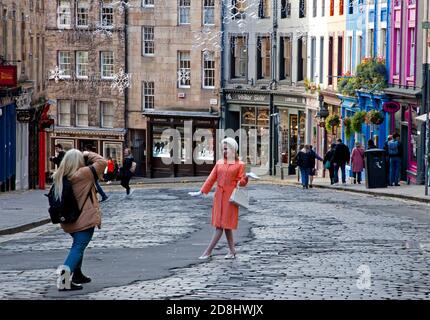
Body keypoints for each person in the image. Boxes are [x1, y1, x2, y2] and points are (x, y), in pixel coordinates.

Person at [53, 149, 107, 291]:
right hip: (83, 220)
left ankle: (77, 274)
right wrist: (87, 153)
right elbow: (102, 162)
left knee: (78, 245)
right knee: (78, 247)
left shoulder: (61, 175)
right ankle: (64, 281)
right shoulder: (84, 174)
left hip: (69, 220)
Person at [188, 137, 249, 260]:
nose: (224, 151)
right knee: (224, 225)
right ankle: (232, 251)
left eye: (226, 149)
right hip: (219, 197)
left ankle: (208, 251)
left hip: (231, 198)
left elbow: (241, 182)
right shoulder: (219, 163)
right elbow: (211, 178)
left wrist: (245, 179)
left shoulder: (240, 164)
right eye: (223, 149)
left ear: (233, 149)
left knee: (220, 226)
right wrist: (201, 191)